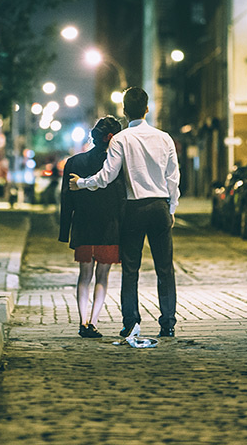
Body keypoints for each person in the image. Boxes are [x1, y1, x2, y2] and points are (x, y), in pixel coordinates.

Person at [70, 87, 180, 338]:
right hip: (160, 206)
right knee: (165, 268)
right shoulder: (164, 138)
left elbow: (107, 176)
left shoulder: (121, 139)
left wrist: (82, 183)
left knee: (131, 269)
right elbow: (173, 177)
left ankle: (131, 322)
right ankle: (168, 323)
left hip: (134, 208)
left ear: (124, 110)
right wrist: (171, 207)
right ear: (147, 108)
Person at [59, 116, 126, 338]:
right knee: (103, 277)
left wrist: (64, 230)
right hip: (109, 226)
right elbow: (122, 199)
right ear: (113, 137)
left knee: (84, 275)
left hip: (83, 225)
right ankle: (94, 321)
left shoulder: (74, 162)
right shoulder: (117, 165)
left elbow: (66, 199)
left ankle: (82, 320)